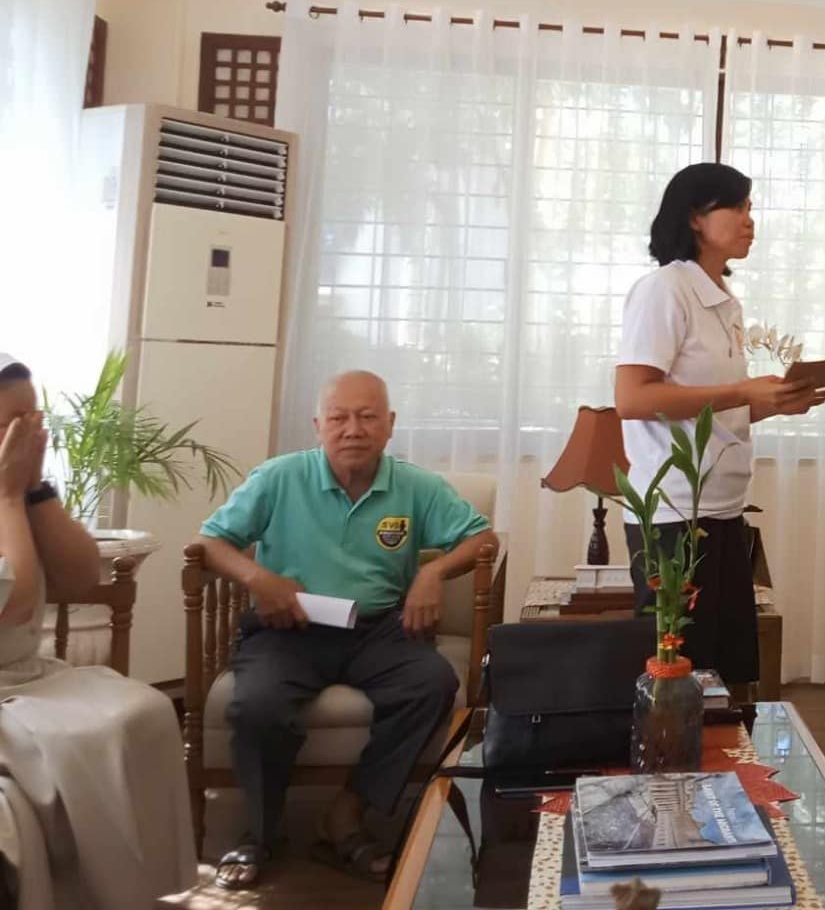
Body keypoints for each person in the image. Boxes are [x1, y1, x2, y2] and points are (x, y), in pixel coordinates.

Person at [193, 370, 494, 890]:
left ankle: (347, 813)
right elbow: (210, 542)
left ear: (390, 424)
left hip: (376, 629)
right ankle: (259, 832)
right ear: (318, 426)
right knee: (258, 704)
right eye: (339, 418)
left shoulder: (415, 485)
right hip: (289, 628)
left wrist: (433, 573)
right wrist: (259, 578)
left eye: (367, 416)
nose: (353, 429)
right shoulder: (279, 477)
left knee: (432, 683)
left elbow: (482, 539)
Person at [614, 163, 825, 690]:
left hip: (724, 509)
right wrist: (744, 391)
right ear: (695, 217)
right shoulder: (664, 290)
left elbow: (710, 410)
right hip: (674, 513)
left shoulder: (724, 302)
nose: (749, 220)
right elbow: (633, 398)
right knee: (680, 678)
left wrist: (774, 403)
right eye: (736, 207)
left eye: (750, 207)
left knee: (725, 674)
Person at [0, 354, 198, 910]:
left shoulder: (17, 490)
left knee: (148, 712)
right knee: (83, 744)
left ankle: (138, 891)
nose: (28, 435)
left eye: (33, 420)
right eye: (12, 424)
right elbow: (15, 605)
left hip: (30, 675)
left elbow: (81, 576)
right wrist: (7, 496)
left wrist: (33, 491)